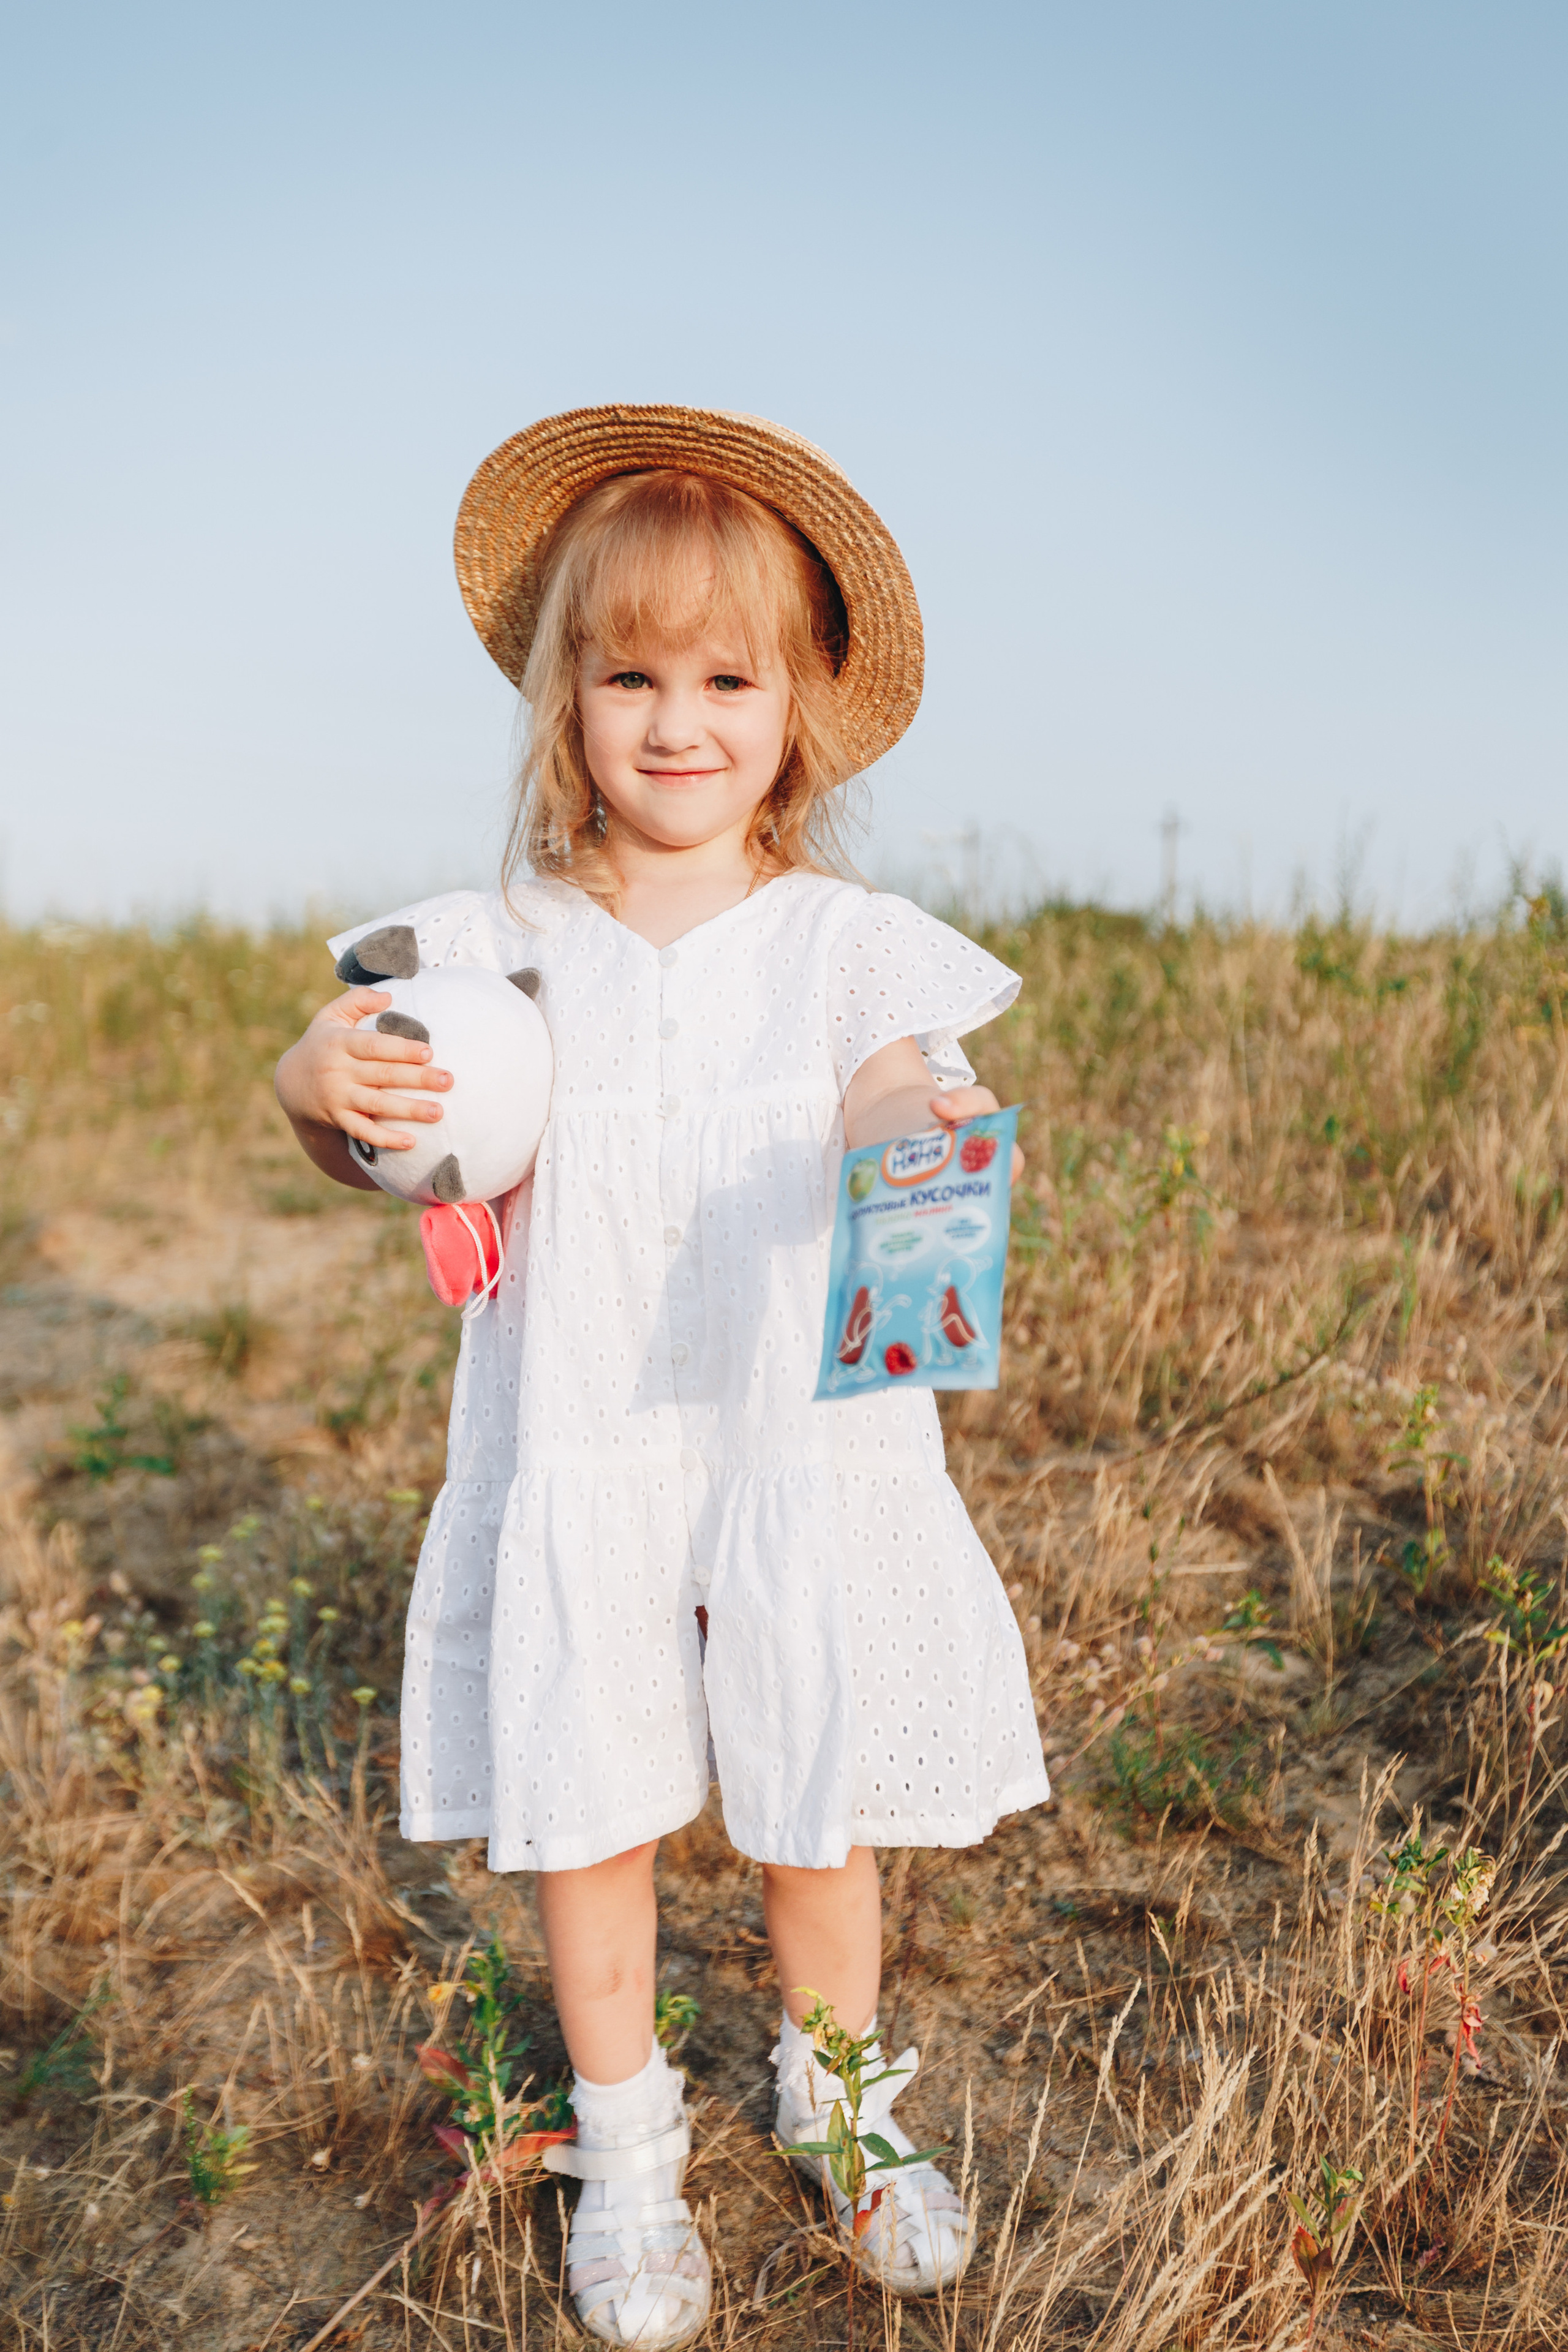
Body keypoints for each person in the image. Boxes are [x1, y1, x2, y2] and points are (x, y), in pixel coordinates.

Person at [274, 407, 1050, 2347]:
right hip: (589, 1448)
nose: (678, 720)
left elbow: (895, 1085)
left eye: (727, 678)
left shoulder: (850, 944)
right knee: (593, 1804)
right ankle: (627, 2147)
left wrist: (908, 1121)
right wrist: (315, 1084)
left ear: (802, 709)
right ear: (565, 697)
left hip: (795, 1443)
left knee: (816, 1802)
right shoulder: (502, 946)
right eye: (632, 676)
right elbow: (378, 1098)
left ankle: (844, 2105)